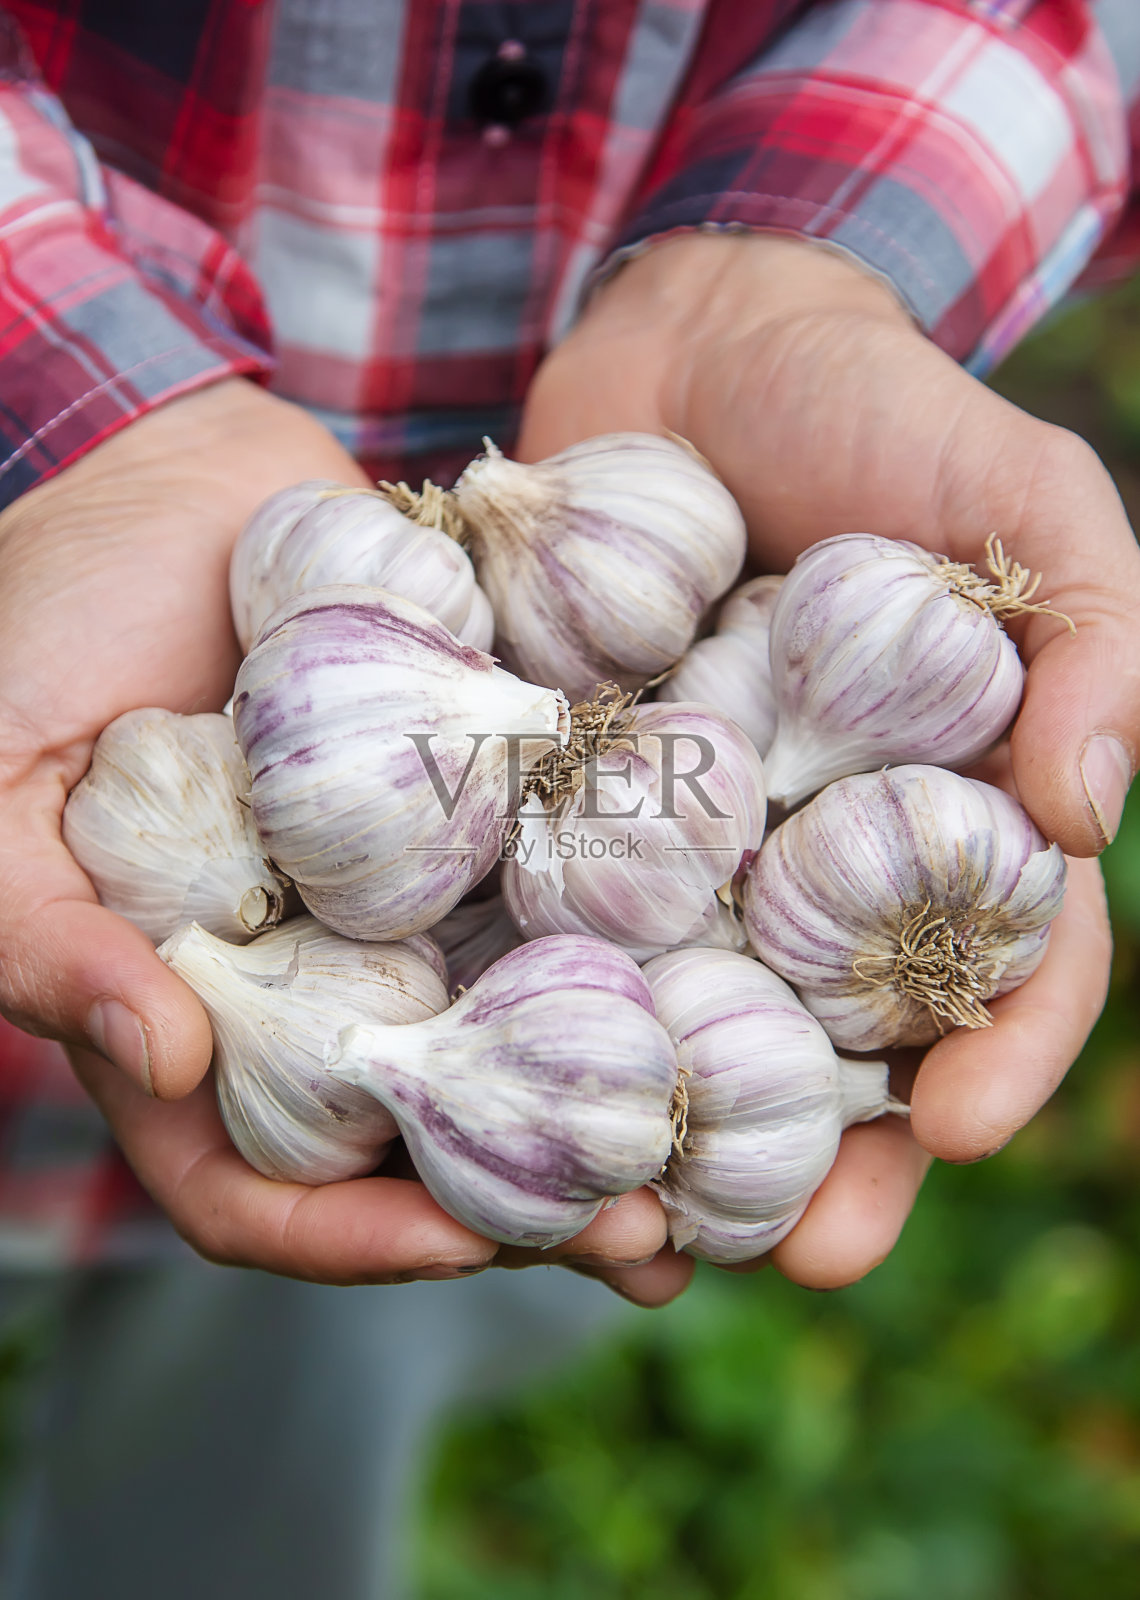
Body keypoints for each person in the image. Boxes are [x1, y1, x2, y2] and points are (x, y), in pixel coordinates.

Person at [0, 0, 1136, 1592]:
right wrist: (71, 425)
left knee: (290, 1410)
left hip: (399, 1116)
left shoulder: (635, 842)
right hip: (76, 704)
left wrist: (793, 261)